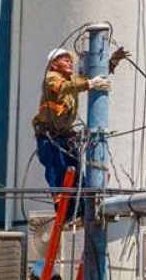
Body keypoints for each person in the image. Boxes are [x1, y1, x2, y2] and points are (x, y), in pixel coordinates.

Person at [31, 46, 128, 195]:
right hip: (49, 138)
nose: (70, 63)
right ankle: (65, 210)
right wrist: (90, 84)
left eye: (71, 61)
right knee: (59, 175)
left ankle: (81, 206)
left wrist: (112, 63)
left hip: (64, 137)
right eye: (65, 60)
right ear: (53, 64)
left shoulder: (73, 81)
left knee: (76, 176)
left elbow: (95, 78)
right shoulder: (51, 77)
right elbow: (63, 87)